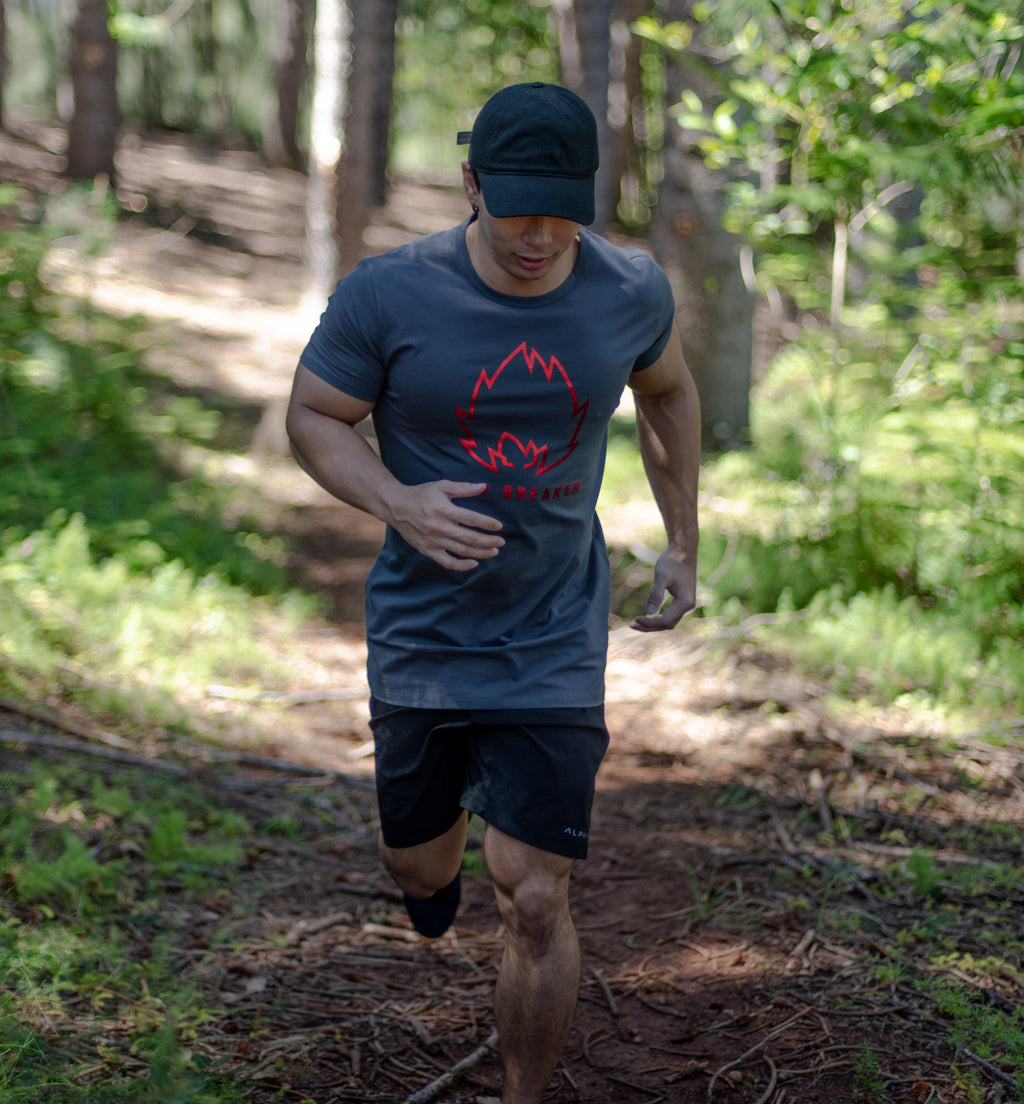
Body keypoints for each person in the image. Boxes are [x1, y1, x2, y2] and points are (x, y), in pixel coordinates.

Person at [286, 81, 700, 1104]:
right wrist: (398, 502)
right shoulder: (391, 293)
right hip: (424, 631)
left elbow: (667, 390)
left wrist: (682, 544)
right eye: (519, 210)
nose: (540, 236)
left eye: (563, 212)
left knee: (534, 895)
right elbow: (314, 415)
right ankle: (431, 880)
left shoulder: (630, 289)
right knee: (423, 869)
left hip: (555, 631)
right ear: (472, 184)